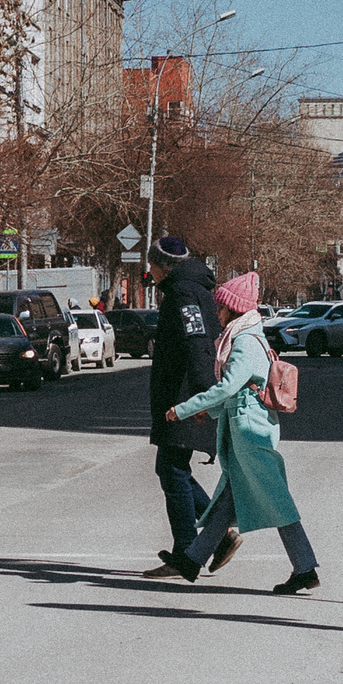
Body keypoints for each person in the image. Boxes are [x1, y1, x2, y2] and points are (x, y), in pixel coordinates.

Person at [160, 270, 320, 594]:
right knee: (227, 504)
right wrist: (212, 412)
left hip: (251, 436)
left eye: (221, 309)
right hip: (245, 430)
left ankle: (305, 567)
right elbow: (240, 393)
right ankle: (192, 560)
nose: (217, 315)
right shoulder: (247, 337)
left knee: (277, 501)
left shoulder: (245, 342)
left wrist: (186, 408)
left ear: (233, 310)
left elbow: (228, 387)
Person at [138, 236, 220, 581]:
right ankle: (216, 532)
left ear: (163, 265)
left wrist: (203, 399)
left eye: (152, 265)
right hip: (184, 394)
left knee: (171, 470)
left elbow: (197, 342)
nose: (150, 271)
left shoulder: (184, 293)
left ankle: (188, 549)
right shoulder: (191, 288)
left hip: (185, 396)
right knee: (173, 469)